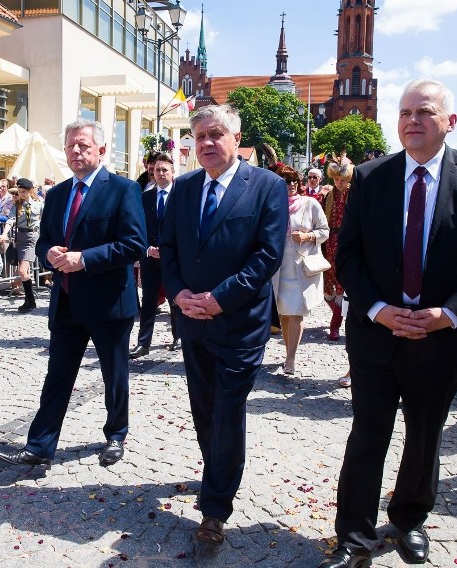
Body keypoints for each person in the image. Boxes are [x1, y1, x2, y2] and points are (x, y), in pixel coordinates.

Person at [320, 79, 457, 568]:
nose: (411, 120)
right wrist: (379, 310)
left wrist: (447, 315)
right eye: (404, 112)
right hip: (377, 335)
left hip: (440, 339)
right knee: (368, 435)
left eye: (424, 111)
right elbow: (349, 254)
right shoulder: (370, 177)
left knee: (424, 437)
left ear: (450, 120)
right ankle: (355, 537)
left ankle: (408, 520)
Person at [160, 105, 288, 545]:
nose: (208, 143)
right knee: (204, 410)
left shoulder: (268, 187)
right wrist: (178, 294)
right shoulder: (183, 188)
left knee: (228, 409)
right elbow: (169, 248)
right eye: (199, 137)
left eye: (216, 134)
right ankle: (217, 469)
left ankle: (214, 508)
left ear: (236, 139)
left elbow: (267, 256)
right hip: (191, 321)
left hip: (238, 324)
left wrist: (220, 299)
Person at [0, 119, 146, 468]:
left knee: (114, 374)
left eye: (83, 145)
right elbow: (46, 238)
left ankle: (116, 434)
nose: (76, 151)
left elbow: (134, 244)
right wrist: (47, 252)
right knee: (58, 376)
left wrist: (84, 259)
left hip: (109, 303)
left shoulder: (123, 190)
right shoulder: (59, 193)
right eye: (71, 146)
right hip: (66, 302)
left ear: (101, 150)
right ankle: (40, 445)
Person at [271, 164, 329, 376]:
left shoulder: (310, 204)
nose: (292, 185)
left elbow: (325, 231)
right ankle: (288, 351)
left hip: (301, 266)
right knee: (285, 314)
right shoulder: (273, 205)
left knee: (296, 313)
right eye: (287, 181)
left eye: (294, 180)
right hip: (279, 268)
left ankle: (291, 358)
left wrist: (308, 236)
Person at [130, 152, 181, 360]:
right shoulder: (144, 198)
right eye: (157, 170)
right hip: (149, 258)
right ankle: (144, 343)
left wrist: (171, 251)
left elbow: (185, 230)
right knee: (149, 300)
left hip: (173, 259)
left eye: (164, 170)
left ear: (172, 172)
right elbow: (137, 228)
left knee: (175, 300)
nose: (160, 173)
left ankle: (179, 337)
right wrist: (146, 248)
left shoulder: (181, 197)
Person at [321, 153, 353, 343]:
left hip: (346, 240)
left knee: (341, 284)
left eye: (342, 179)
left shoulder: (355, 194)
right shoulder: (328, 195)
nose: (339, 183)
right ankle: (339, 314)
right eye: (336, 179)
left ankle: (335, 325)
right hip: (329, 240)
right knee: (327, 287)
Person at [4, 178, 43, 313]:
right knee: (24, 272)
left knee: (22, 271)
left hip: (31, 238)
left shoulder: (38, 205)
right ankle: (29, 300)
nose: (21, 194)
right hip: (20, 238)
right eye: (19, 191)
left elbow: (45, 220)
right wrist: (4, 234)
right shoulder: (16, 205)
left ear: (30, 191)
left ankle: (30, 300)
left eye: (24, 192)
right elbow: (11, 220)